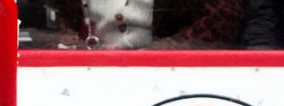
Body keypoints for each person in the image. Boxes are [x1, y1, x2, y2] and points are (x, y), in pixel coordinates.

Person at [43, 0, 243, 49]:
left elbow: (223, 13)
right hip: (78, 73)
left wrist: (168, 51)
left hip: (171, 77)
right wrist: (68, 43)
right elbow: (47, 11)